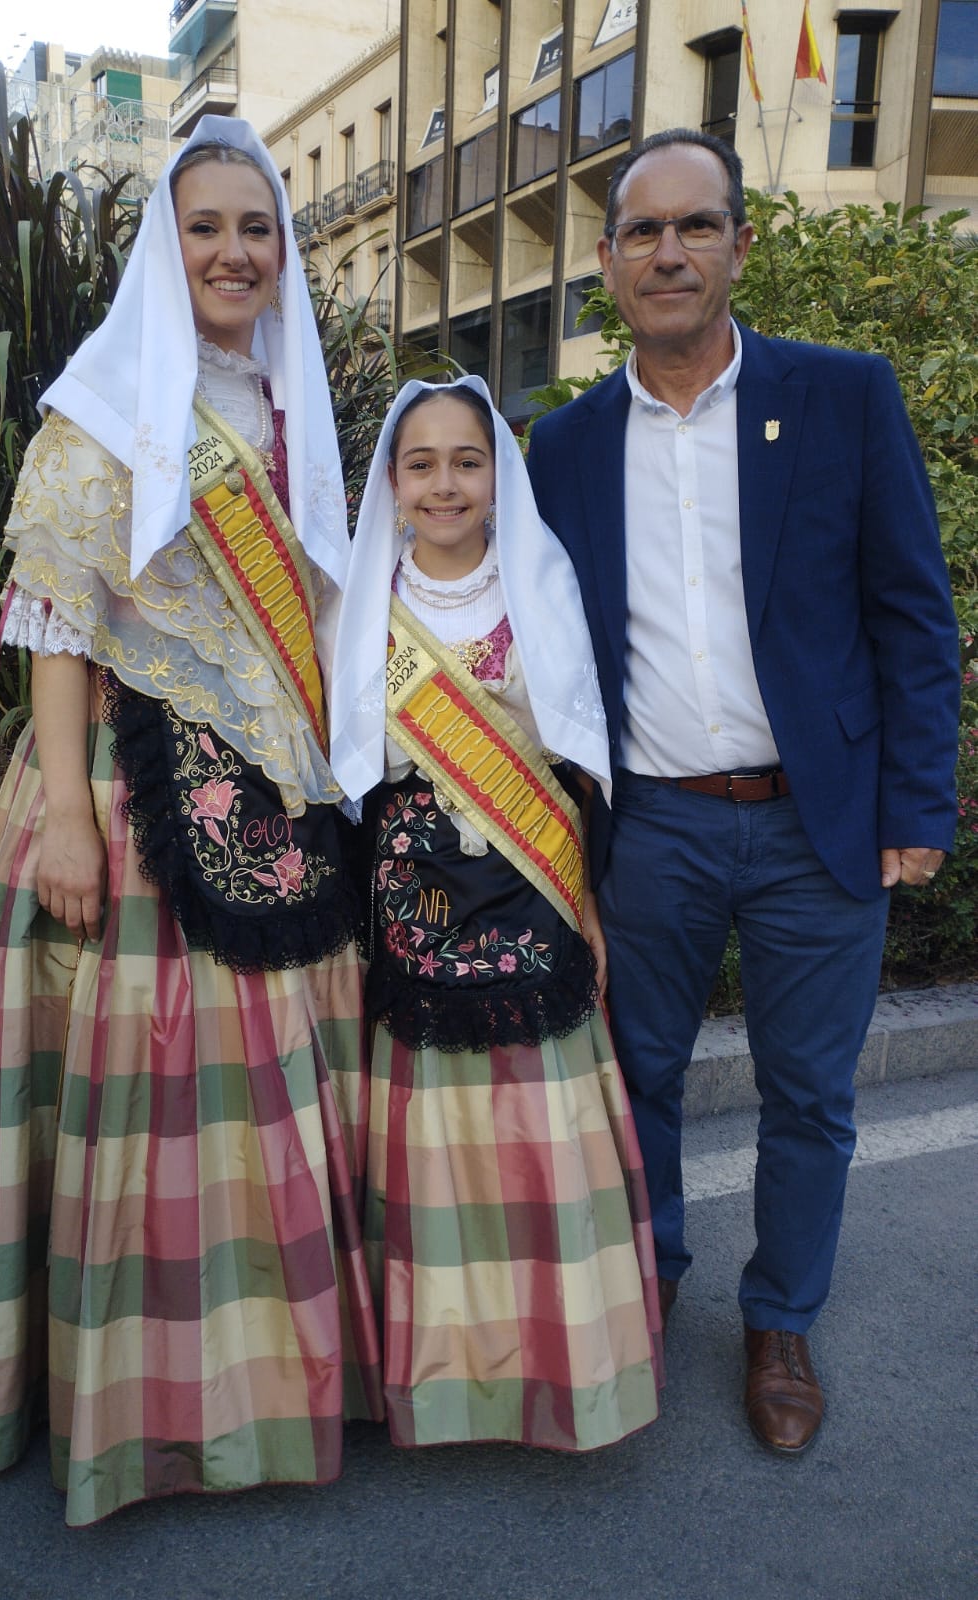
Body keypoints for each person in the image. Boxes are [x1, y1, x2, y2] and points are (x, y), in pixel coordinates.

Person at [0, 116, 383, 1526]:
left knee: (254, 1110)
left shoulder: (288, 406)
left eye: (257, 228)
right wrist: (69, 829)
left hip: (265, 791)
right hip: (123, 788)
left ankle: (260, 1386)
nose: (233, 251)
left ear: (284, 252)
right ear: (169, 246)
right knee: (144, 1105)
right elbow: (53, 622)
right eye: (206, 226)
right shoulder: (104, 401)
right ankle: (131, 1407)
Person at [527, 129, 959, 1455]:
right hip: (648, 823)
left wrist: (915, 808)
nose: (669, 252)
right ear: (606, 262)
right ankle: (649, 1285)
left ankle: (782, 1322)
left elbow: (912, 616)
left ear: (738, 243)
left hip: (814, 822)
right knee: (637, 1073)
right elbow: (542, 648)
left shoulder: (842, 396)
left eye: (695, 226)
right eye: (642, 231)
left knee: (812, 1093)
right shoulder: (565, 444)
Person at [330, 375, 663, 1454]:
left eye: (465, 461)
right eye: (420, 464)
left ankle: (558, 1363)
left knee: (538, 1142)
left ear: (496, 472)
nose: (444, 483)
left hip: (533, 891)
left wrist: (590, 902)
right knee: (432, 1145)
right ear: (391, 479)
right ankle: (440, 1377)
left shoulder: (540, 580)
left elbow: (578, 756)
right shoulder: (359, 601)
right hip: (414, 910)